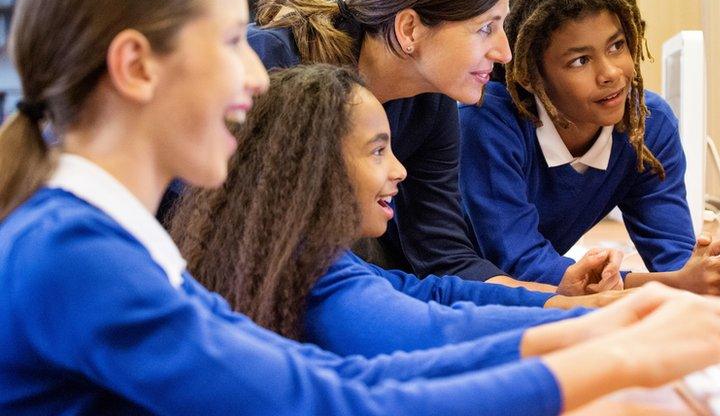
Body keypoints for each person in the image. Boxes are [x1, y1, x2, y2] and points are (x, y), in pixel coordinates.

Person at [0, 0, 720, 416]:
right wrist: (611, 351)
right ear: (135, 66)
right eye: (232, 40)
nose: (258, 78)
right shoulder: (78, 256)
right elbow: (326, 408)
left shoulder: (99, 241)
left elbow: (337, 368)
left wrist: (595, 327)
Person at [246, 0, 623, 298]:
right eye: (484, 29)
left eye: (502, 27)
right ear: (410, 29)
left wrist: (551, 296)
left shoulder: (433, 105)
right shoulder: (269, 67)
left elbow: (444, 256)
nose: (505, 52)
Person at [172, 64, 595, 356]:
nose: (400, 170)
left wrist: (561, 305)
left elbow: (430, 293)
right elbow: (431, 332)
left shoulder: (307, 255)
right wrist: (596, 328)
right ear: (315, 165)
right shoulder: (310, 274)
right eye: (377, 151)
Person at [459, 0, 720, 297]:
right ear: (529, 74)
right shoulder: (488, 120)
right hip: (453, 294)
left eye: (617, 46)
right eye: (580, 61)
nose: (611, 73)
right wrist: (669, 284)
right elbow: (521, 262)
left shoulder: (647, 123)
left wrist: (707, 274)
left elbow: (674, 259)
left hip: (534, 301)